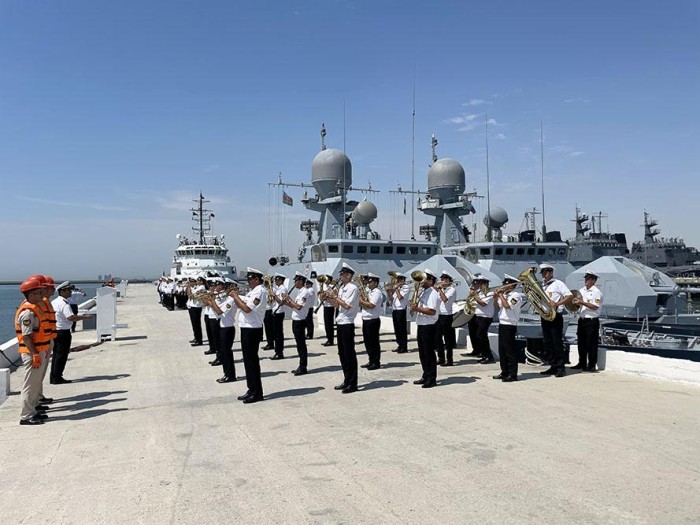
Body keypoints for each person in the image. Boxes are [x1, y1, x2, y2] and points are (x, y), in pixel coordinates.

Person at [15, 276, 52, 425]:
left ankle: (33, 411)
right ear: (30, 295)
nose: (41, 295)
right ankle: (26, 416)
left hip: (39, 350)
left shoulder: (35, 308)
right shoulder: (28, 313)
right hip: (32, 354)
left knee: (35, 384)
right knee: (30, 386)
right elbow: (27, 336)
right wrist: (35, 354)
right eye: (38, 293)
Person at [230, 267, 267, 404]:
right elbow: (246, 302)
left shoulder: (260, 291)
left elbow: (246, 308)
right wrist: (236, 296)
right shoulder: (254, 291)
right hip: (247, 328)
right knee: (247, 362)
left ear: (257, 279)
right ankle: (251, 389)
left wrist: (235, 297)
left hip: (253, 329)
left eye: (250, 279)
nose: (248, 281)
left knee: (252, 362)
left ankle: (257, 392)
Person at [327, 263, 360, 394]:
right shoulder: (342, 288)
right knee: (342, 354)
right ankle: (346, 380)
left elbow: (347, 306)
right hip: (340, 322)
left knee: (349, 354)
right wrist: (329, 299)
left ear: (348, 275)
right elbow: (338, 305)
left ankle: (353, 383)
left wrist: (335, 297)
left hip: (347, 323)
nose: (340, 276)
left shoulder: (353, 288)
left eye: (342, 274)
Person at [51, 281, 91, 385]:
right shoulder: (64, 304)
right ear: (62, 291)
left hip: (55, 331)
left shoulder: (54, 302)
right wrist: (84, 317)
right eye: (68, 290)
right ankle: (57, 377)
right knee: (62, 355)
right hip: (63, 332)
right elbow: (71, 317)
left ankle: (54, 376)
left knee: (56, 354)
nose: (70, 292)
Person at [539, 264, 573, 378]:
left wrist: (557, 303)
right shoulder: (542, 285)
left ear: (551, 273)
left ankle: (560, 367)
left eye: (545, 273)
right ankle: (553, 365)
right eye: (542, 273)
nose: (544, 275)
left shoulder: (558, 284)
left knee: (556, 342)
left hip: (555, 316)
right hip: (545, 316)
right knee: (547, 342)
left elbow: (569, 296)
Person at [410, 269, 440, 388]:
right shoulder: (424, 292)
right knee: (423, 353)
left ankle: (431, 378)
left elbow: (432, 311)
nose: (421, 281)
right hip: (422, 325)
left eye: (424, 279)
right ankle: (425, 375)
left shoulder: (432, 293)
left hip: (429, 326)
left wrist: (417, 309)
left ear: (431, 280)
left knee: (429, 354)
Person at [493, 274, 523, 382]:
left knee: (509, 350)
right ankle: (504, 371)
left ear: (511, 285)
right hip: (502, 323)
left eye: (506, 284)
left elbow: (507, 306)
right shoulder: (505, 294)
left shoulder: (516, 296)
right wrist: (495, 297)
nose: (503, 286)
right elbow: (497, 307)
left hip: (510, 325)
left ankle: (512, 374)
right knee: (502, 350)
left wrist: (501, 295)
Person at [572, 271, 603, 372]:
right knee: (581, 343)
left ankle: (592, 365)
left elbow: (594, 306)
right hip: (582, 320)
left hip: (591, 320)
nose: (586, 280)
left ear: (593, 280)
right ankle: (582, 363)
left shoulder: (596, 292)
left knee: (591, 344)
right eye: (586, 278)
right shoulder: (582, 291)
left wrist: (581, 302)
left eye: (588, 278)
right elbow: (578, 304)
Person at [208, 279, 238, 383]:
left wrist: (212, 302)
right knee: (224, 353)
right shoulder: (227, 299)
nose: (225, 288)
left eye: (228, 286)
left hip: (227, 328)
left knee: (227, 353)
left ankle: (230, 375)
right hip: (224, 327)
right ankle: (227, 374)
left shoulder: (231, 300)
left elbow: (219, 311)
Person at [285, 272, 313, 375]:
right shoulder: (300, 292)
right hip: (296, 320)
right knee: (298, 344)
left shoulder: (304, 292)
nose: (294, 283)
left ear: (300, 281)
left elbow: (298, 307)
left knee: (301, 345)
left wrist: (289, 299)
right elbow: (294, 306)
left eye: (296, 280)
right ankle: (300, 365)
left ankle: (303, 367)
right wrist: (285, 302)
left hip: (300, 321)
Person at [359, 273, 383, 370]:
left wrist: (360, 301)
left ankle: (375, 362)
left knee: (373, 342)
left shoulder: (377, 292)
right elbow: (366, 303)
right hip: (366, 319)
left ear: (376, 283)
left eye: (371, 282)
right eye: (368, 282)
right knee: (367, 342)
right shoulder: (369, 291)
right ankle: (371, 360)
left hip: (373, 320)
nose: (368, 283)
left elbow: (371, 305)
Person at [434, 271, 457, 366]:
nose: (442, 281)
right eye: (441, 279)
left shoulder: (452, 289)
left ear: (448, 280)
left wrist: (439, 290)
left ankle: (450, 359)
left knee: (447, 339)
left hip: (447, 315)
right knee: (437, 337)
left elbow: (445, 299)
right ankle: (441, 358)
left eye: (443, 280)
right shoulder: (442, 289)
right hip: (439, 314)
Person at [472, 275, 495, 364]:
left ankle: (489, 356)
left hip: (486, 317)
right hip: (479, 316)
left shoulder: (490, 293)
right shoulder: (480, 293)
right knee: (479, 336)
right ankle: (484, 354)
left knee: (481, 336)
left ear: (486, 284)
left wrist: (475, 296)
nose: (480, 285)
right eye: (479, 283)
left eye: (481, 283)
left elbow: (483, 303)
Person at [387, 273, 410, 354]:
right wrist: (389, 292)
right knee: (397, 329)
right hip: (395, 309)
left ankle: (404, 347)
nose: (397, 281)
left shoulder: (405, 287)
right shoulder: (399, 288)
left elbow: (400, 297)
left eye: (399, 279)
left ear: (403, 280)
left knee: (402, 329)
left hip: (401, 310)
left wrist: (396, 289)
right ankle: (399, 345)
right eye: (397, 279)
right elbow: (392, 299)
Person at [270, 273, 288, 360]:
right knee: (275, 333)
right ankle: (277, 351)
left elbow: (281, 302)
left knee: (278, 334)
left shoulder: (283, 289)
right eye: (275, 280)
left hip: (279, 312)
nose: (276, 281)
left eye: (277, 280)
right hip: (275, 311)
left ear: (281, 280)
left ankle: (279, 352)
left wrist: (274, 296)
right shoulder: (278, 288)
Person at [185, 276, 205, 346]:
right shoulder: (196, 287)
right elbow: (188, 294)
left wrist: (191, 293)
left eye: (200, 281)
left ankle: (199, 340)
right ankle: (196, 337)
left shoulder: (202, 287)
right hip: (192, 306)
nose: (198, 282)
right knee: (194, 324)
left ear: (202, 281)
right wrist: (189, 287)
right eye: (197, 281)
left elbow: (193, 296)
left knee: (197, 324)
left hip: (197, 306)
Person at [318, 277, 336, 347]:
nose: (325, 281)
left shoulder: (332, 287)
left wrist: (328, 296)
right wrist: (322, 296)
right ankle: (328, 338)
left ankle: (331, 340)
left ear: (330, 280)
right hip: (325, 306)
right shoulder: (324, 287)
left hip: (330, 306)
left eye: (327, 280)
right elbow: (321, 297)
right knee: (326, 324)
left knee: (329, 324)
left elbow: (334, 297)